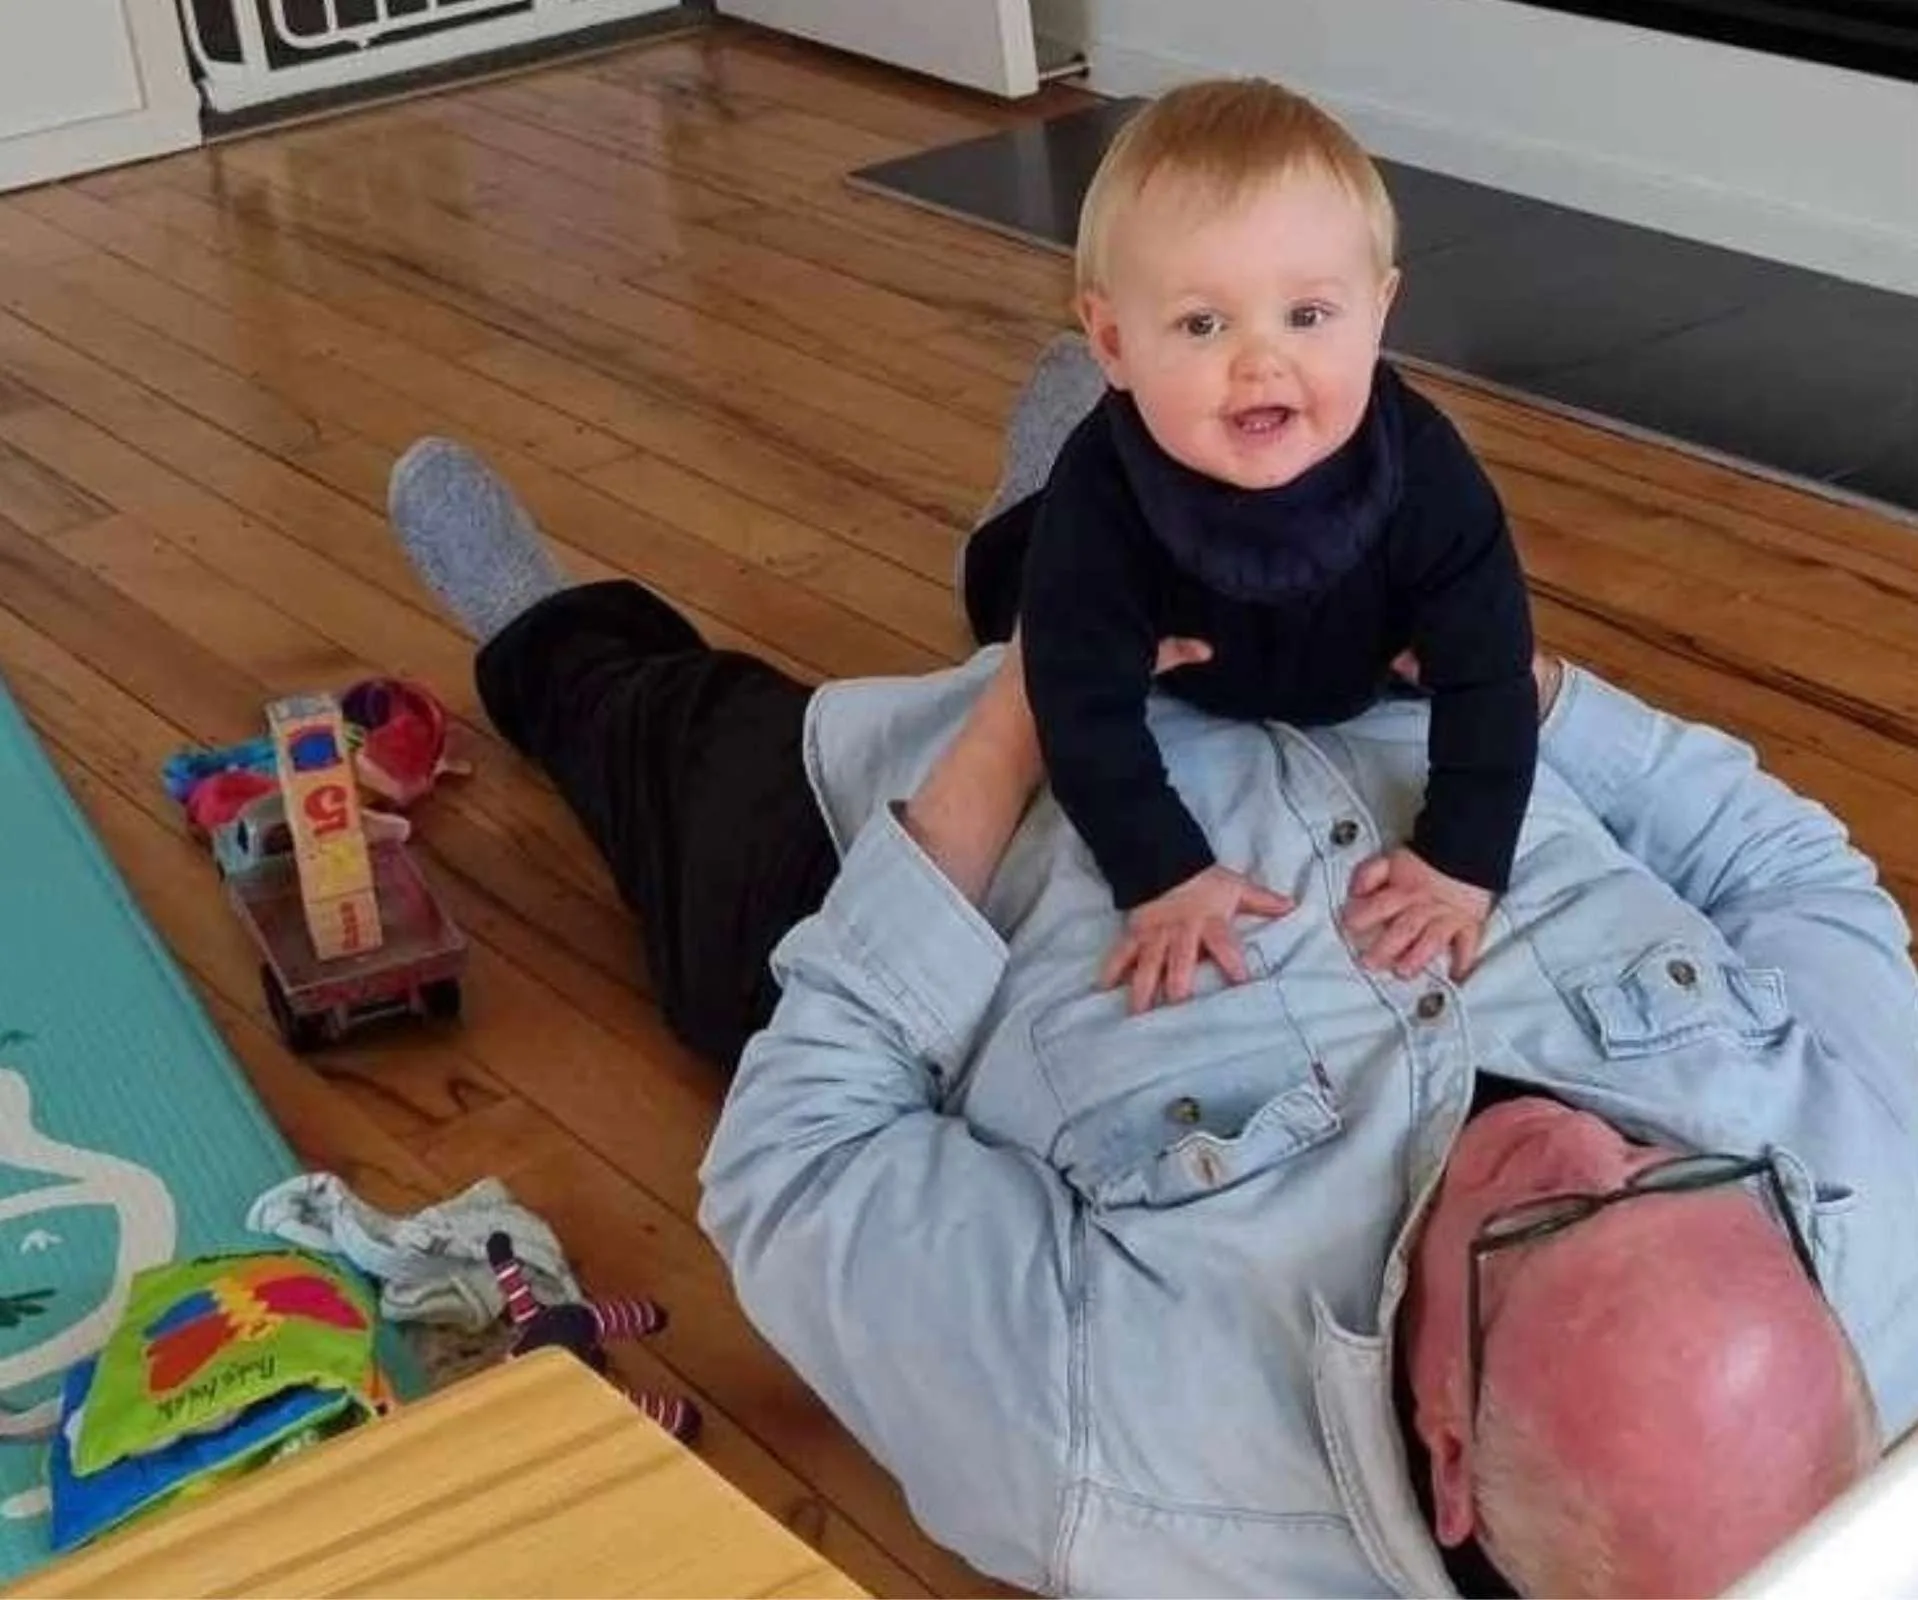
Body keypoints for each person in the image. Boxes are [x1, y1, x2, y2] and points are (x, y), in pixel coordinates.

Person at [385, 336, 1918, 1596]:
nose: (1580, 1134)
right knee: (1146, 542)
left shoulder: (1124, 1463)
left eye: (1540, 1215)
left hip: (967, 844)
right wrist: (1529, 692)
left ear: (1446, 1450)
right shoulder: (1890, 1204)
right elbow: (1783, 866)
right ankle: (1050, 526)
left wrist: (1014, 731)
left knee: (669, 758)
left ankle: (549, 639)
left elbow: (800, 1165)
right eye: (1674, 1168)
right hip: (1352, 698)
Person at [963, 81, 1536, 1011]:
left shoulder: (1428, 476)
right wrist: (1161, 872)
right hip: (1097, 576)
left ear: (1380, 312)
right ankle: (1058, 414)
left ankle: (1119, 380)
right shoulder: (1099, 500)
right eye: (1203, 323)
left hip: (1311, 646)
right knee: (1010, 593)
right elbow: (1077, 712)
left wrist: (1462, 859)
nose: (1260, 362)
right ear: (1112, 335)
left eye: (1308, 316)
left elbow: (1493, 675)